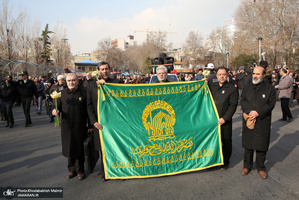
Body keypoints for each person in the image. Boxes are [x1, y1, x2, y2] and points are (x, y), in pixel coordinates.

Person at [52, 73, 90, 181]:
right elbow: (56, 107)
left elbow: (88, 110)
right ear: (66, 82)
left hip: (80, 126)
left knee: (79, 148)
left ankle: (80, 170)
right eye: (69, 81)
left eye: (73, 80)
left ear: (77, 81)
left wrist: (90, 125)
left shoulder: (84, 93)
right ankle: (71, 170)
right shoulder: (62, 94)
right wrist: (54, 111)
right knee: (69, 148)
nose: (71, 83)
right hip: (66, 127)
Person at [240, 66, 276, 179]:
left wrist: (258, 112)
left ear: (263, 75)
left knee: (261, 145)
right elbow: (243, 101)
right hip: (249, 119)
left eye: (258, 74)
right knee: (248, 145)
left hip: (262, 120)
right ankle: (247, 166)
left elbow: (271, 104)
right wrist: (250, 112)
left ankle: (261, 168)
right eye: (254, 74)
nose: (255, 76)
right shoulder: (247, 87)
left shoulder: (270, 88)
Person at [87, 62, 121, 175]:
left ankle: (118, 170)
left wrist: (106, 85)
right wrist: (93, 122)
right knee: (102, 147)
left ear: (110, 70)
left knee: (115, 145)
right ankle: (106, 171)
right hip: (100, 122)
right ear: (99, 71)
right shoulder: (92, 85)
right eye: (102, 69)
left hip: (115, 121)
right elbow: (89, 104)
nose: (104, 71)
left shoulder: (117, 83)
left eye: (106, 69)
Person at [209, 67, 238, 169]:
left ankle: (225, 161)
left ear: (227, 75)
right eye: (220, 74)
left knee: (226, 142)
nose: (222, 76)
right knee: (213, 142)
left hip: (225, 120)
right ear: (216, 75)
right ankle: (214, 161)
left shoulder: (232, 89)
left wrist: (224, 118)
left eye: (224, 74)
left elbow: (232, 106)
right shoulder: (212, 86)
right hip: (212, 120)